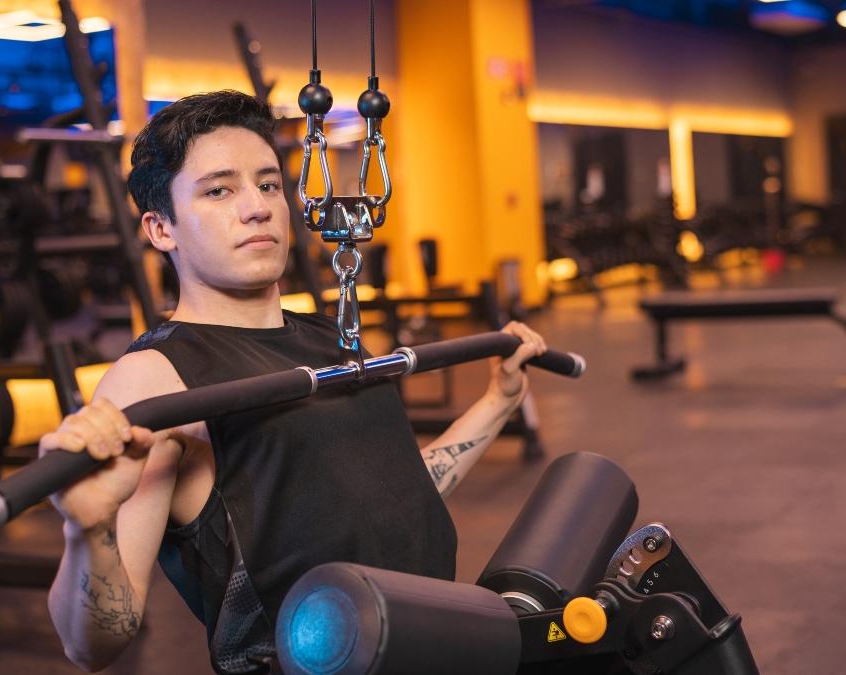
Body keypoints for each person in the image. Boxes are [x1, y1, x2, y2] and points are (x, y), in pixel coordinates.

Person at [43, 90, 547, 674]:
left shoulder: (332, 339)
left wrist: (498, 402)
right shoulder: (155, 378)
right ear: (160, 230)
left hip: (426, 640)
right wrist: (89, 529)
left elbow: (396, 499)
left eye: (268, 184)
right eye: (218, 190)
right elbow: (93, 645)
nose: (257, 207)